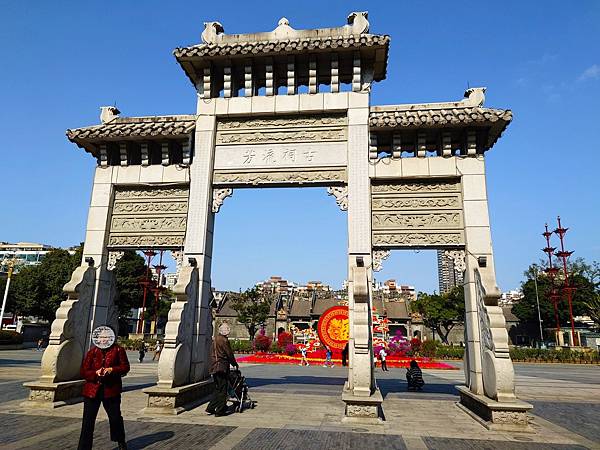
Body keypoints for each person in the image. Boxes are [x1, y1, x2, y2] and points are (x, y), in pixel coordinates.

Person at [78, 325, 129, 450]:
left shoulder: (118, 350)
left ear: (112, 337)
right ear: (97, 338)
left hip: (111, 390)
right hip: (92, 391)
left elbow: (125, 367)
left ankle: (120, 441)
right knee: (88, 421)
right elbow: (84, 371)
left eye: (107, 336)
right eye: (101, 336)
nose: (104, 339)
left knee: (115, 418)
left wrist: (111, 370)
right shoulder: (92, 351)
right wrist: (95, 373)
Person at [206, 323, 238, 416]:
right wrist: (234, 363)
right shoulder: (224, 340)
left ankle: (211, 407)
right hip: (221, 367)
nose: (229, 330)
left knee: (218, 388)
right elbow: (229, 353)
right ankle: (220, 410)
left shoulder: (215, 339)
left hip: (214, 366)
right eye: (227, 329)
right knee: (223, 389)